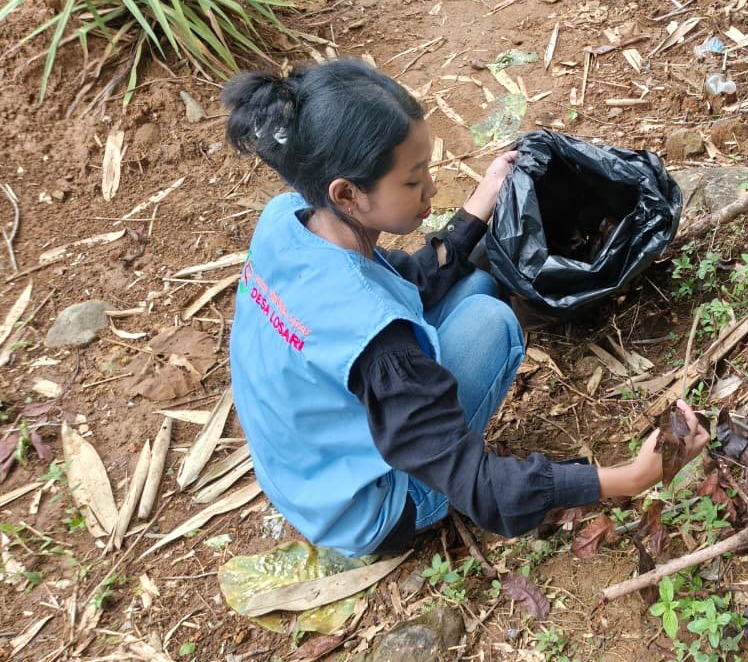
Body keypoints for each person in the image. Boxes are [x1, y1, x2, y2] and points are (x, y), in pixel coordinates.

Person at [222, 59, 709, 558]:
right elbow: (479, 485)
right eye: (413, 181)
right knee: (490, 322)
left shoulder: (289, 219)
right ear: (348, 193)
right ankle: (401, 509)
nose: (431, 189)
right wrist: (630, 477)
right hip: (370, 510)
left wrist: (481, 203)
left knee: (476, 282)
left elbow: (396, 285)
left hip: (306, 471)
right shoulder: (382, 347)